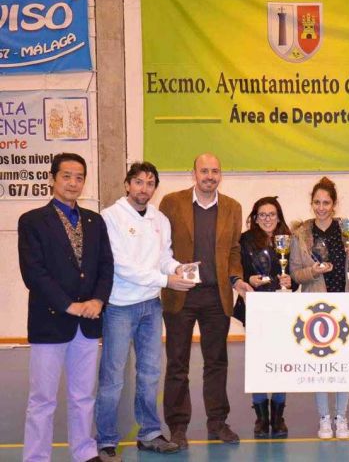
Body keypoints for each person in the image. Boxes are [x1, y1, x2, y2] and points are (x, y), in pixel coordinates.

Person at [95, 162, 195, 460]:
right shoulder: (110, 217)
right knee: (113, 377)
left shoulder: (159, 219)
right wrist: (166, 280)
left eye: (150, 183)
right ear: (127, 184)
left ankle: (150, 432)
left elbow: (164, 257)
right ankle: (106, 439)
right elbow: (121, 266)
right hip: (119, 307)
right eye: (138, 182)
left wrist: (179, 268)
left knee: (150, 373)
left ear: (155, 188)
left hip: (151, 306)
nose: (144, 188)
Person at [18, 153, 114, 462]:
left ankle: (85, 452)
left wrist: (98, 300)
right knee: (43, 399)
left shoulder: (94, 221)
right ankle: (36, 457)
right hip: (51, 322)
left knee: (83, 395)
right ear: (52, 179)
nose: (73, 183)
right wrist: (69, 305)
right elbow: (34, 273)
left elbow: (105, 266)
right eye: (66, 176)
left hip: (88, 322)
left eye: (79, 177)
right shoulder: (32, 221)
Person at [159, 153, 253, 449]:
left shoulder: (232, 207)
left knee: (217, 363)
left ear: (220, 175)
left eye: (215, 171)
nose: (210, 176)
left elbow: (235, 249)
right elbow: (161, 246)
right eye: (204, 171)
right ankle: (177, 427)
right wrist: (172, 273)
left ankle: (217, 423)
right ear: (194, 174)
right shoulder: (171, 203)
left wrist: (236, 279)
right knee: (177, 364)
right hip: (181, 294)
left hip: (216, 296)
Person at [289, 177, 349, 439]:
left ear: (334, 205)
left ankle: (341, 417)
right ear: (311, 203)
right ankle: (323, 418)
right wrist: (314, 270)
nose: (321, 207)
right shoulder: (300, 234)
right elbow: (295, 274)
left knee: (343, 364)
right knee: (320, 366)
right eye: (317, 202)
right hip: (315, 305)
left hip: (345, 301)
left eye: (326, 203)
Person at [234, 196, 299, 438]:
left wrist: (290, 282)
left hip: (282, 309)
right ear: (255, 217)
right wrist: (247, 279)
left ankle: (278, 416)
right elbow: (238, 270)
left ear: (279, 216)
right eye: (262, 215)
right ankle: (261, 418)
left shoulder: (290, 241)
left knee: (281, 363)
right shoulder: (245, 240)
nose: (267, 219)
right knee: (258, 363)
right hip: (256, 308)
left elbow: (295, 275)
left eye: (272, 214)